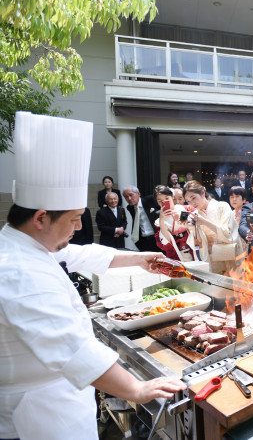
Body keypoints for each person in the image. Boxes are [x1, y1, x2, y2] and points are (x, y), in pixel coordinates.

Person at [0, 112, 186, 440]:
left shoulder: (25, 244)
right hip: (41, 418)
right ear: (41, 217)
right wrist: (136, 388)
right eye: (73, 220)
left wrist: (141, 259)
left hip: (57, 405)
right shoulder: (17, 271)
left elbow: (79, 254)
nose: (77, 228)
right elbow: (73, 350)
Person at [184, 180, 242, 273]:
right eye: (188, 201)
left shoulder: (222, 206)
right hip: (211, 260)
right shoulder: (195, 215)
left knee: (232, 284)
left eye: (194, 198)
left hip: (228, 257)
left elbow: (229, 234)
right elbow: (198, 245)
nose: (192, 203)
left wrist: (204, 222)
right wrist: (192, 228)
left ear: (203, 193)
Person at [153, 185, 197, 262]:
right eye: (160, 201)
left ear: (172, 197)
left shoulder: (186, 209)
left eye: (167, 198)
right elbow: (165, 243)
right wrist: (161, 221)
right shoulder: (158, 221)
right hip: (177, 254)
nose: (164, 202)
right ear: (157, 202)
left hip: (194, 248)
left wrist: (183, 220)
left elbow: (199, 225)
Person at [123, 185, 160, 252]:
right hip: (144, 241)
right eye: (126, 197)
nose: (129, 198)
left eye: (131, 195)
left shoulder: (150, 200)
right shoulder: (130, 208)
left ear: (138, 194)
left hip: (157, 238)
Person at [228, 186, 248, 255]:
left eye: (237, 196)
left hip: (246, 250)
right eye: (232, 197)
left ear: (244, 200)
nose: (234, 199)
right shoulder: (229, 213)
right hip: (233, 250)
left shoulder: (248, 213)